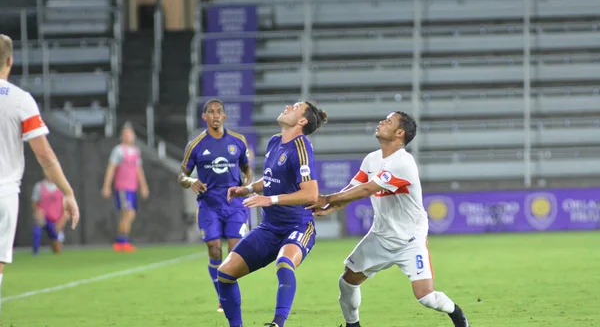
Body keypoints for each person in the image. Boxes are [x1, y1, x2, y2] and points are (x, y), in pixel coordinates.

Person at [308, 111, 470, 327]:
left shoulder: (403, 162)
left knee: (426, 297)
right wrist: (332, 206)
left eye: (389, 121)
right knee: (347, 282)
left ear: (399, 133)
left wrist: (326, 198)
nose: (382, 122)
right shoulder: (372, 159)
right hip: (380, 237)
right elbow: (354, 188)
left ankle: (459, 317)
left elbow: (367, 190)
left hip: (409, 240)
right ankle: (352, 325)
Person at [222, 100, 328, 327]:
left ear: (302, 121)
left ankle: (278, 323)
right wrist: (247, 189)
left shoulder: (302, 147)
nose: (288, 106)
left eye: (295, 107)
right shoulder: (275, 141)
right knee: (224, 274)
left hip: (298, 226)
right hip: (269, 228)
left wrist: (269, 200)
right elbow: (271, 179)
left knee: (284, 263)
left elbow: (311, 194)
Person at [0, 34, 80, 309]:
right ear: (9, 61)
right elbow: (44, 153)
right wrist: (67, 192)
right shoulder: (20, 100)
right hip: (4, 192)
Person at [178, 99, 252, 313]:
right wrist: (192, 181)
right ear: (205, 117)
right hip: (209, 204)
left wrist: (246, 186)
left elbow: (247, 170)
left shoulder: (238, 141)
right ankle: (223, 296)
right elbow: (182, 175)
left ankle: (229, 293)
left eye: (219, 111)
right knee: (214, 248)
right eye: (211, 112)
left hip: (234, 203)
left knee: (235, 252)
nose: (216, 115)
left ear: (225, 116)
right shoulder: (196, 144)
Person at [102, 122, 149, 252]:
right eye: (126, 134)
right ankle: (122, 241)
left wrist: (144, 186)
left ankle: (121, 240)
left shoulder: (136, 151)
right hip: (123, 187)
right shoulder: (118, 150)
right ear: (122, 136)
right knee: (128, 213)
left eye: (130, 134)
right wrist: (106, 186)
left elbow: (139, 170)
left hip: (132, 187)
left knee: (130, 214)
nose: (128, 137)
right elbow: (111, 168)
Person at [32, 178, 70, 255]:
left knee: (57, 249)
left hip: (56, 221)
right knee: (37, 228)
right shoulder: (39, 186)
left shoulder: (62, 186)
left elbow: (67, 208)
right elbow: (35, 204)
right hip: (43, 218)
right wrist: (38, 213)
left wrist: (61, 221)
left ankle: (56, 241)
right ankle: (35, 251)